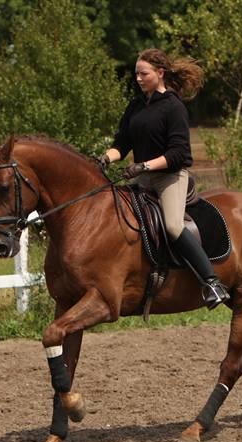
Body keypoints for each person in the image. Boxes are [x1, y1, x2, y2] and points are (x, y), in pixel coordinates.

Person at [97, 48, 230, 309]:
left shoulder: (174, 107)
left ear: (160, 73)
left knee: (172, 226)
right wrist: (105, 158)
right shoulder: (135, 106)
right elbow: (121, 144)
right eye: (136, 74)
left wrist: (144, 165)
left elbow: (179, 153)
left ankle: (212, 282)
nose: (138, 78)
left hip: (169, 178)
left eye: (143, 73)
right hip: (142, 179)